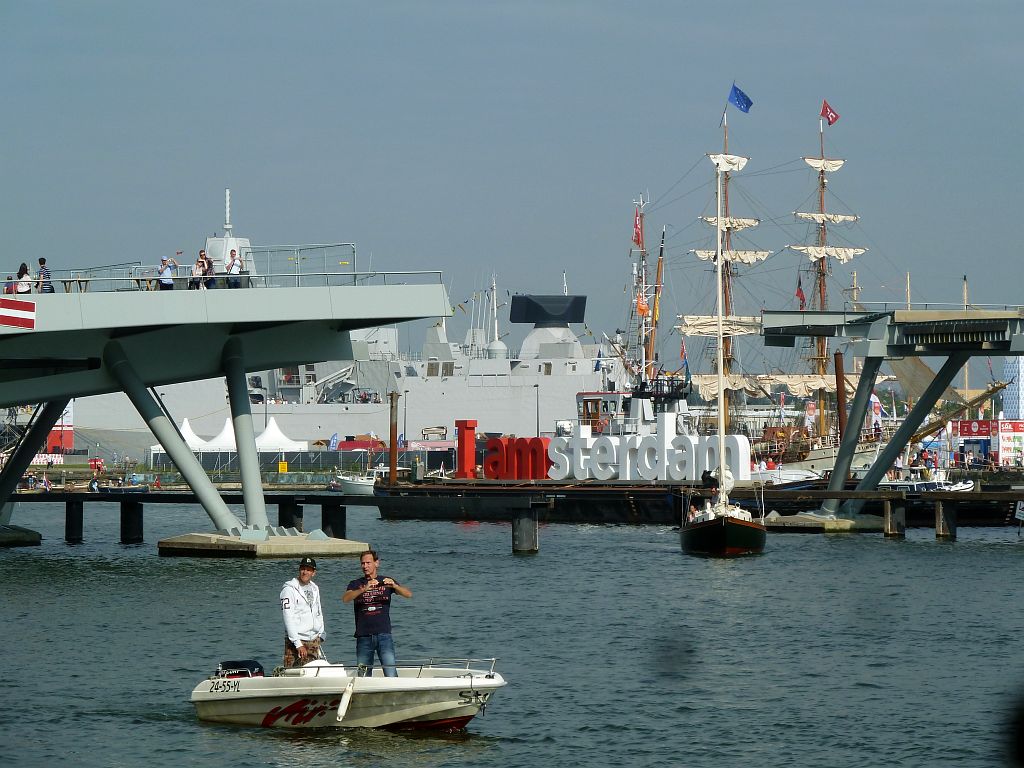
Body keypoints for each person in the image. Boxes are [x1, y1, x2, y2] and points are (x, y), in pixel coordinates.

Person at [342, 550, 412, 677]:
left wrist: (394, 586)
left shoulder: (385, 581)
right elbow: (346, 598)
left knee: (390, 673)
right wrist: (364, 589)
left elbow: (408, 594)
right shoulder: (356, 583)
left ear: (376, 563)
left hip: (384, 635)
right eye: (363, 563)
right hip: (364, 636)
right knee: (363, 675)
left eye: (368, 563)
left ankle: (394, 693)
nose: (365, 566)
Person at [280, 556, 325, 668]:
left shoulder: (315, 589)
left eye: (308, 570)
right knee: (293, 674)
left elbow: (318, 612)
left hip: (314, 641)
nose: (305, 572)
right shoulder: (289, 590)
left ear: (313, 573)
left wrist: (321, 633)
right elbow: (288, 617)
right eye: (303, 569)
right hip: (297, 642)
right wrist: (297, 643)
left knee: (314, 675)